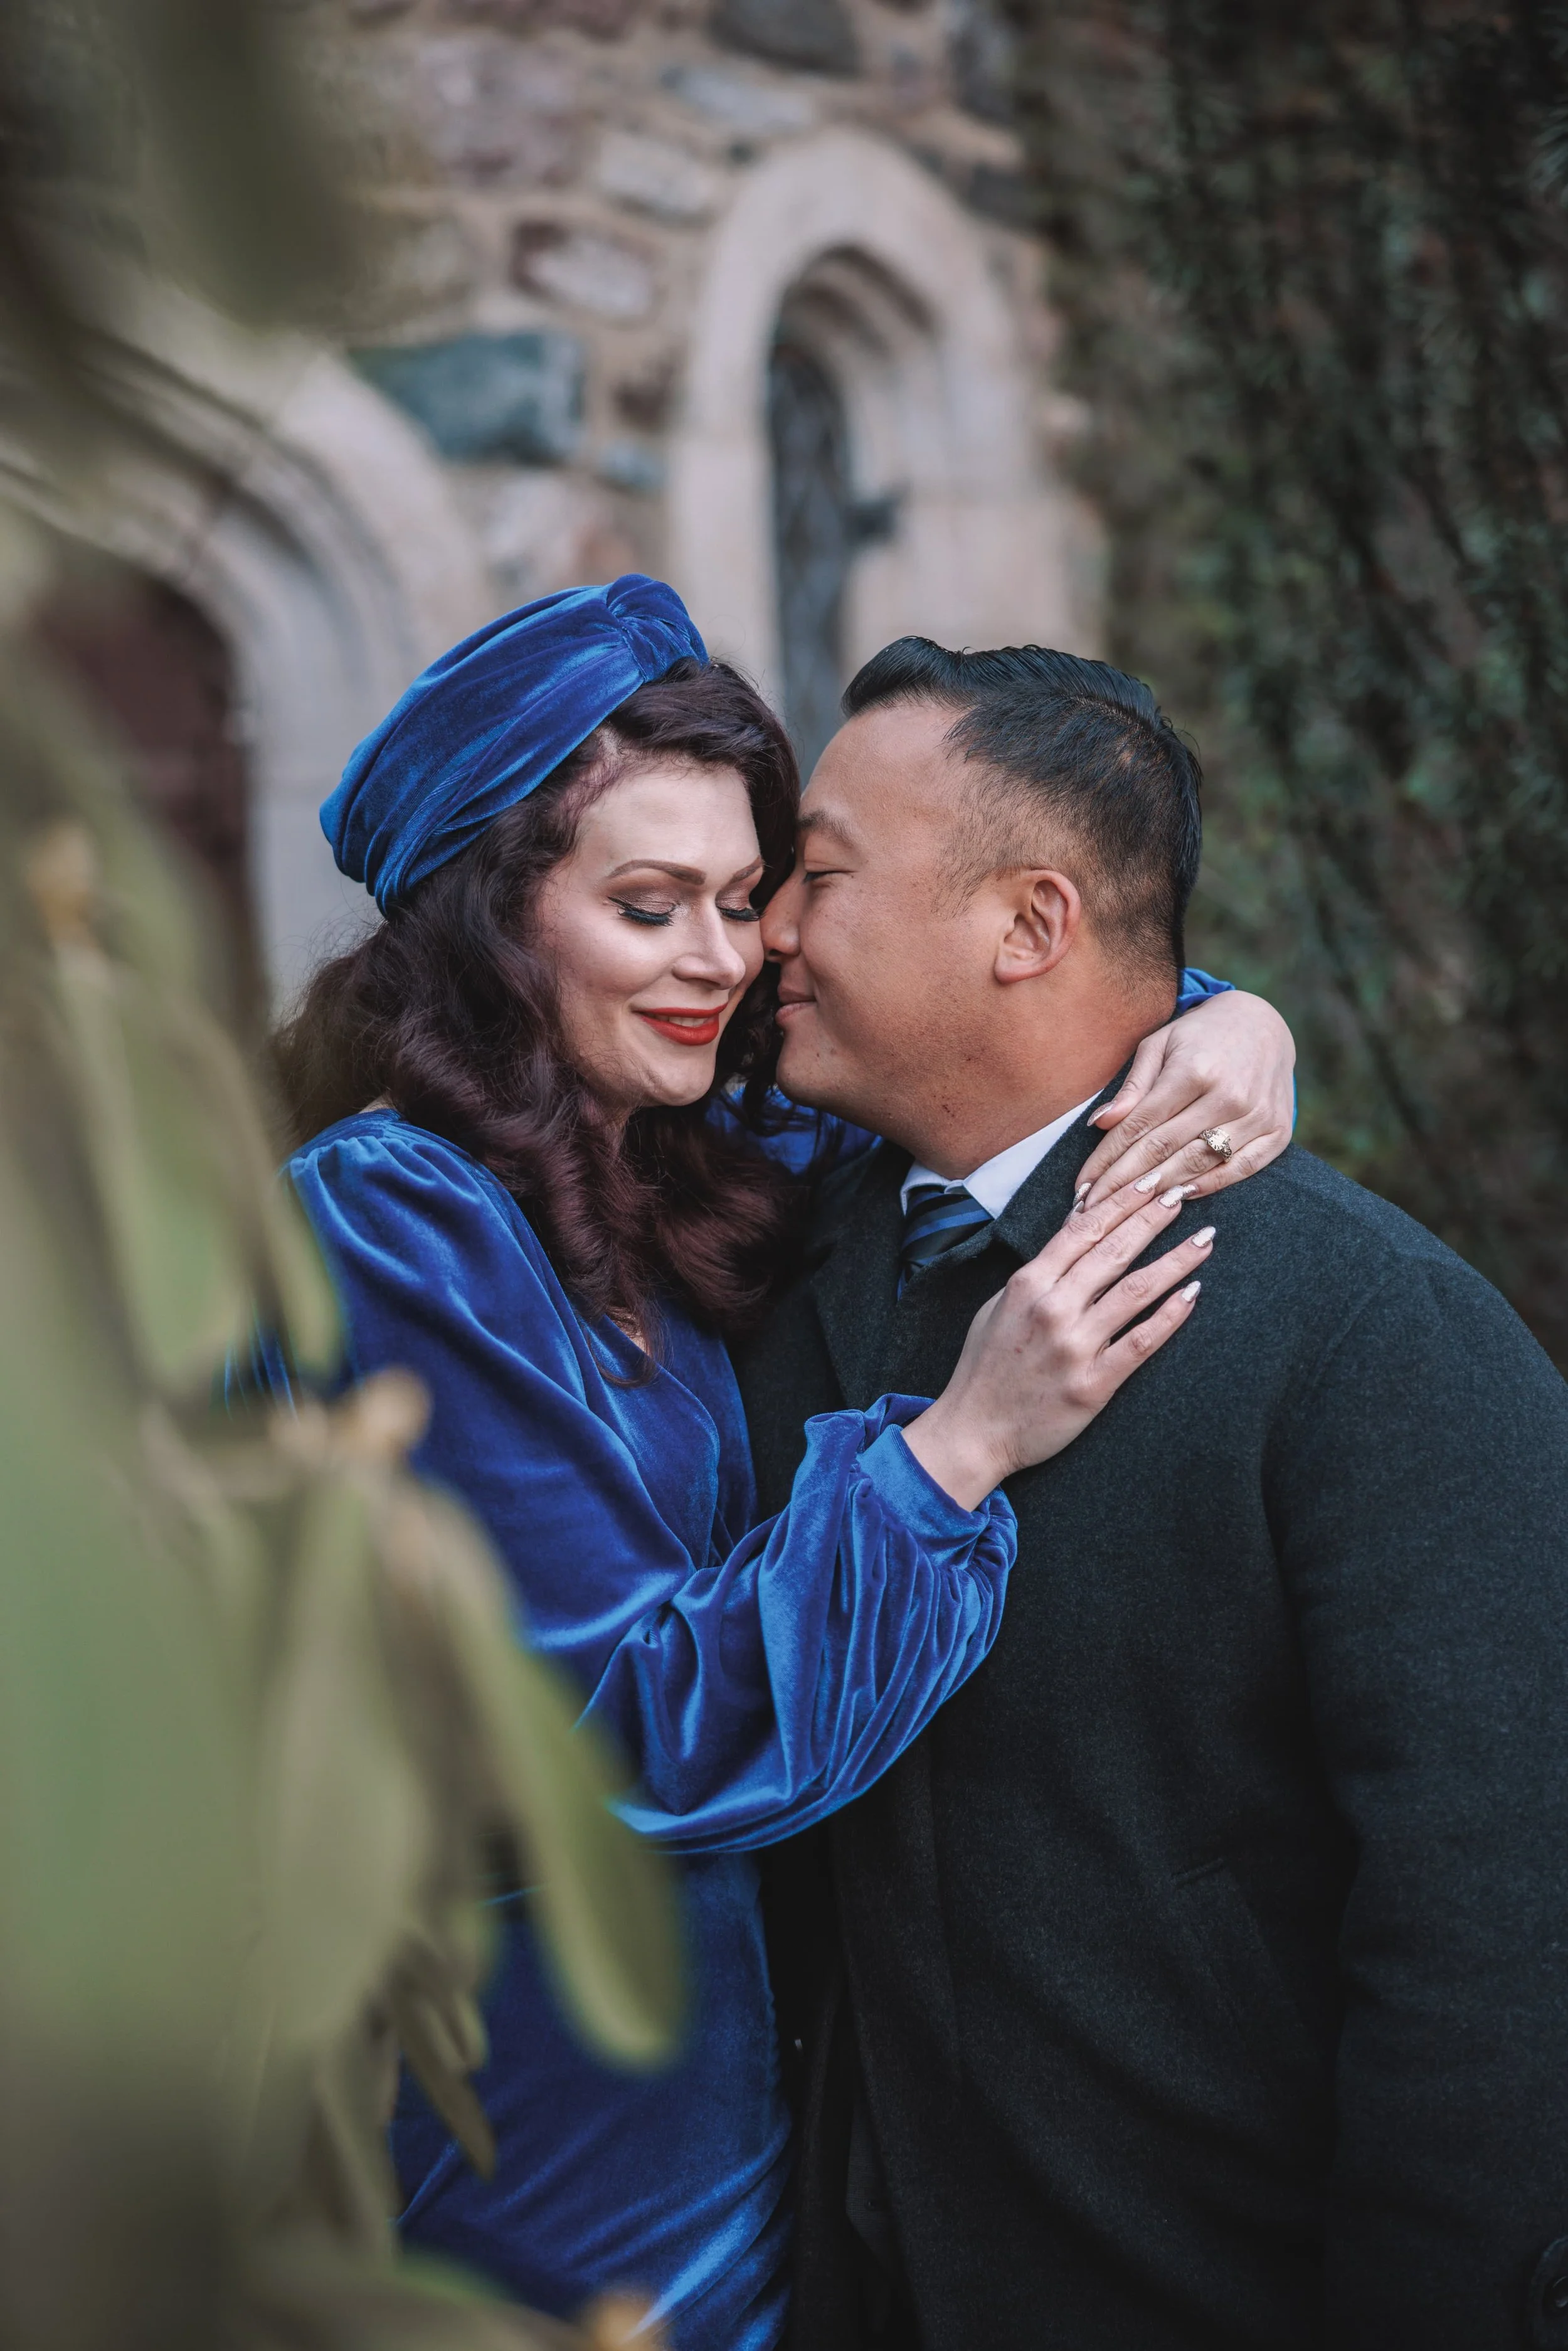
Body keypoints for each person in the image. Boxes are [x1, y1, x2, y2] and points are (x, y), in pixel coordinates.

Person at [254, 578, 1295, 2351]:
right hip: (533, 2159)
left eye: (745, 899)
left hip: (756, 2125)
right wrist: (956, 1446)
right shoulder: (389, 1217)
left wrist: (1223, 1018)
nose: (723, 961)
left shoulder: (667, 1135)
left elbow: (988, 1022)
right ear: (493, 922)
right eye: (644, 905)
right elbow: (599, 1734)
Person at [733, 636, 1568, 2351]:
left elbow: (1494, 1950)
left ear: (1025, 925)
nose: (768, 935)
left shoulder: (1371, 1336)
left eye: (815, 877)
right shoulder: (782, 1287)